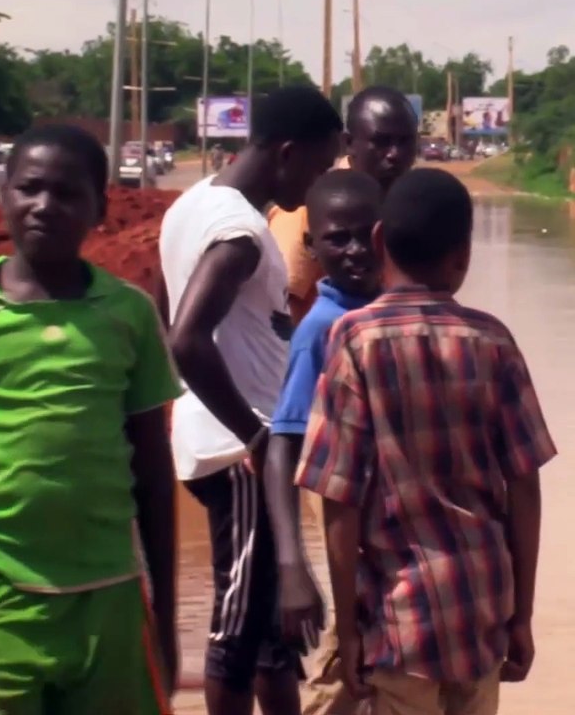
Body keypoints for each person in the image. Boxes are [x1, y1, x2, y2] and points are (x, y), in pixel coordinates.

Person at [296, 168, 557, 715]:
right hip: (482, 610)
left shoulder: (355, 341)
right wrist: (522, 616)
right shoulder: (494, 341)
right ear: (464, 256)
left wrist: (348, 632)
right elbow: (525, 487)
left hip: (401, 619)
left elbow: (338, 499)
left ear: (377, 242)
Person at [159, 85, 344, 715]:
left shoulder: (193, 205)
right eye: (319, 167)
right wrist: (256, 436)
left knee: (270, 637)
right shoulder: (238, 232)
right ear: (288, 153)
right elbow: (185, 338)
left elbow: (165, 312)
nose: (316, 188)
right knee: (236, 636)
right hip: (239, 454)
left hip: (227, 440)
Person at [0, 125, 180, 713]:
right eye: (30, 188)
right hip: (1, 594)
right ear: (5, 195)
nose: (45, 205)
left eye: (67, 193)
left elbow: (154, 470)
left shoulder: (130, 314)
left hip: (110, 595)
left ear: (99, 208)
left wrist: (166, 613)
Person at [263, 170, 384, 715]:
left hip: (394, 529)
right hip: (350, 521)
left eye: (366, 236)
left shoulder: (389, 310)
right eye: (338, 239)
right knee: (345, 654)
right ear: (312, 247)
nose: (356, 251)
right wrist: (291, 563)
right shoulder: (322, 327)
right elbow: (284, 440)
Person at [269, 85, 419, 325]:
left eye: (405, 141)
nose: (394, 154)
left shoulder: (406, 207)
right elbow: (281, 308)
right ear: (348, 143)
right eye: (381, 141)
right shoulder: (309, 208)